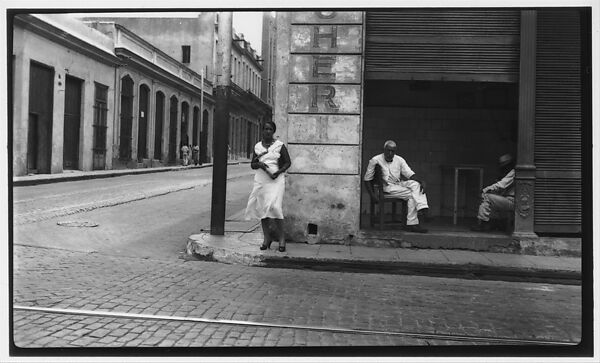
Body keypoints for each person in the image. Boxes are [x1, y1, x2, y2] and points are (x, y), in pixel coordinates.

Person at [363, 140, 430, 233]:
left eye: (392, 151)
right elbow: (367, 179)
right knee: (413, 195)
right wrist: (372, 195)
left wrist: (421, 181)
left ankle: (421, 211)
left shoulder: (399, 159)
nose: (390, 153)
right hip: (385, 189)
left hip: (398, 185)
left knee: (416, 184)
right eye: (388, 150)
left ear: (395, 151)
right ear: (384, 150)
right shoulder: (375, 160)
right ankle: (415, 221)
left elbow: (409, 174)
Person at [245, 121, 292, 252]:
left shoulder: (279, 145)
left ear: (273, 131)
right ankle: (267, 238)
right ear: (262, 130)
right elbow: (253, 164)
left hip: (276, 179)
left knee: (275, 207)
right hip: (261, 180)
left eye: (270, 129)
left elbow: (288, 162)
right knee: (262, 209)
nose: (267, 131)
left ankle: (281, 238)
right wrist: (259, 165)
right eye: (265, 129)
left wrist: (278, 172)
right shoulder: (258, 146)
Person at [471, 154, 516, 232]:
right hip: (510, 200)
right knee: (489, 198)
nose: (503, 167)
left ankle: (484, 224)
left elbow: (501, 185)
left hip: (513, 201)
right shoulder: (508, 172)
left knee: (486, 196)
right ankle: (494, 223)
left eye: (505, 165)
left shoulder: (514, 172)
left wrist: (484, 190)